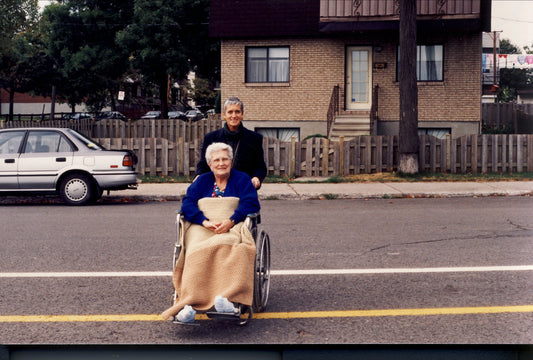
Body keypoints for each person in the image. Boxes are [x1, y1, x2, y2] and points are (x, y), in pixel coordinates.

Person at [161, 142, 260, 323]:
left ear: (231, 161)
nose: (221, 163)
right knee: (194, 249)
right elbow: (188, 203)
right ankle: (188, 303)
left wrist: (231, 220)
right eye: (217, 160)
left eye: (225, 159)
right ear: (210, 164)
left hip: (231, 223)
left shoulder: (242, 179)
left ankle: (227, 299)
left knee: (233, 246)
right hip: (203, 225)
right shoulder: (202, 181)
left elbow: (250, 203)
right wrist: (204, 221)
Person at [195, 97, 267, 189]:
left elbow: (260, 166)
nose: (234, 115)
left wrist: (257, 178)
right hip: (216, 190)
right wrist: (198, 175)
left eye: (237, 112)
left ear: (242, 115)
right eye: (230, 112)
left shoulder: (254, 138)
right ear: (224, 115)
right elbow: (204, 164)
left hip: (244, 188)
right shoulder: (211, 138)